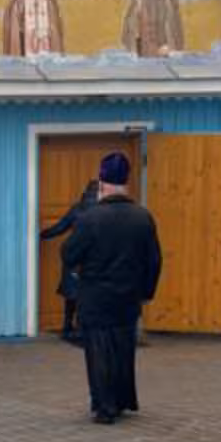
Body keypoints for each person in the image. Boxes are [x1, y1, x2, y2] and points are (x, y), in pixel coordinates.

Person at [61, 152, 161, 423]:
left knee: (99, 352)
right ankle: (122, 400)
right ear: (126, 182)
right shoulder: (143, 217)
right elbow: (154, 260)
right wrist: (146, 292)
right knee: (123, 350)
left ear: (102, 183)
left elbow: (69, 253)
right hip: (128, 297)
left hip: (95, 297)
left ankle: (105, 408)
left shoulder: (90, 218)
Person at [39, 177, 98, 342]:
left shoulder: (77, 209)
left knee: (71, 293)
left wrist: (41, 235)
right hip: (94, 258)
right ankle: (82, 328)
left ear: (85, 192)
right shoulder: (105, 211)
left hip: (74, 255)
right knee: (89, 294)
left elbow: (60, 228)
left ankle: (67, 327)